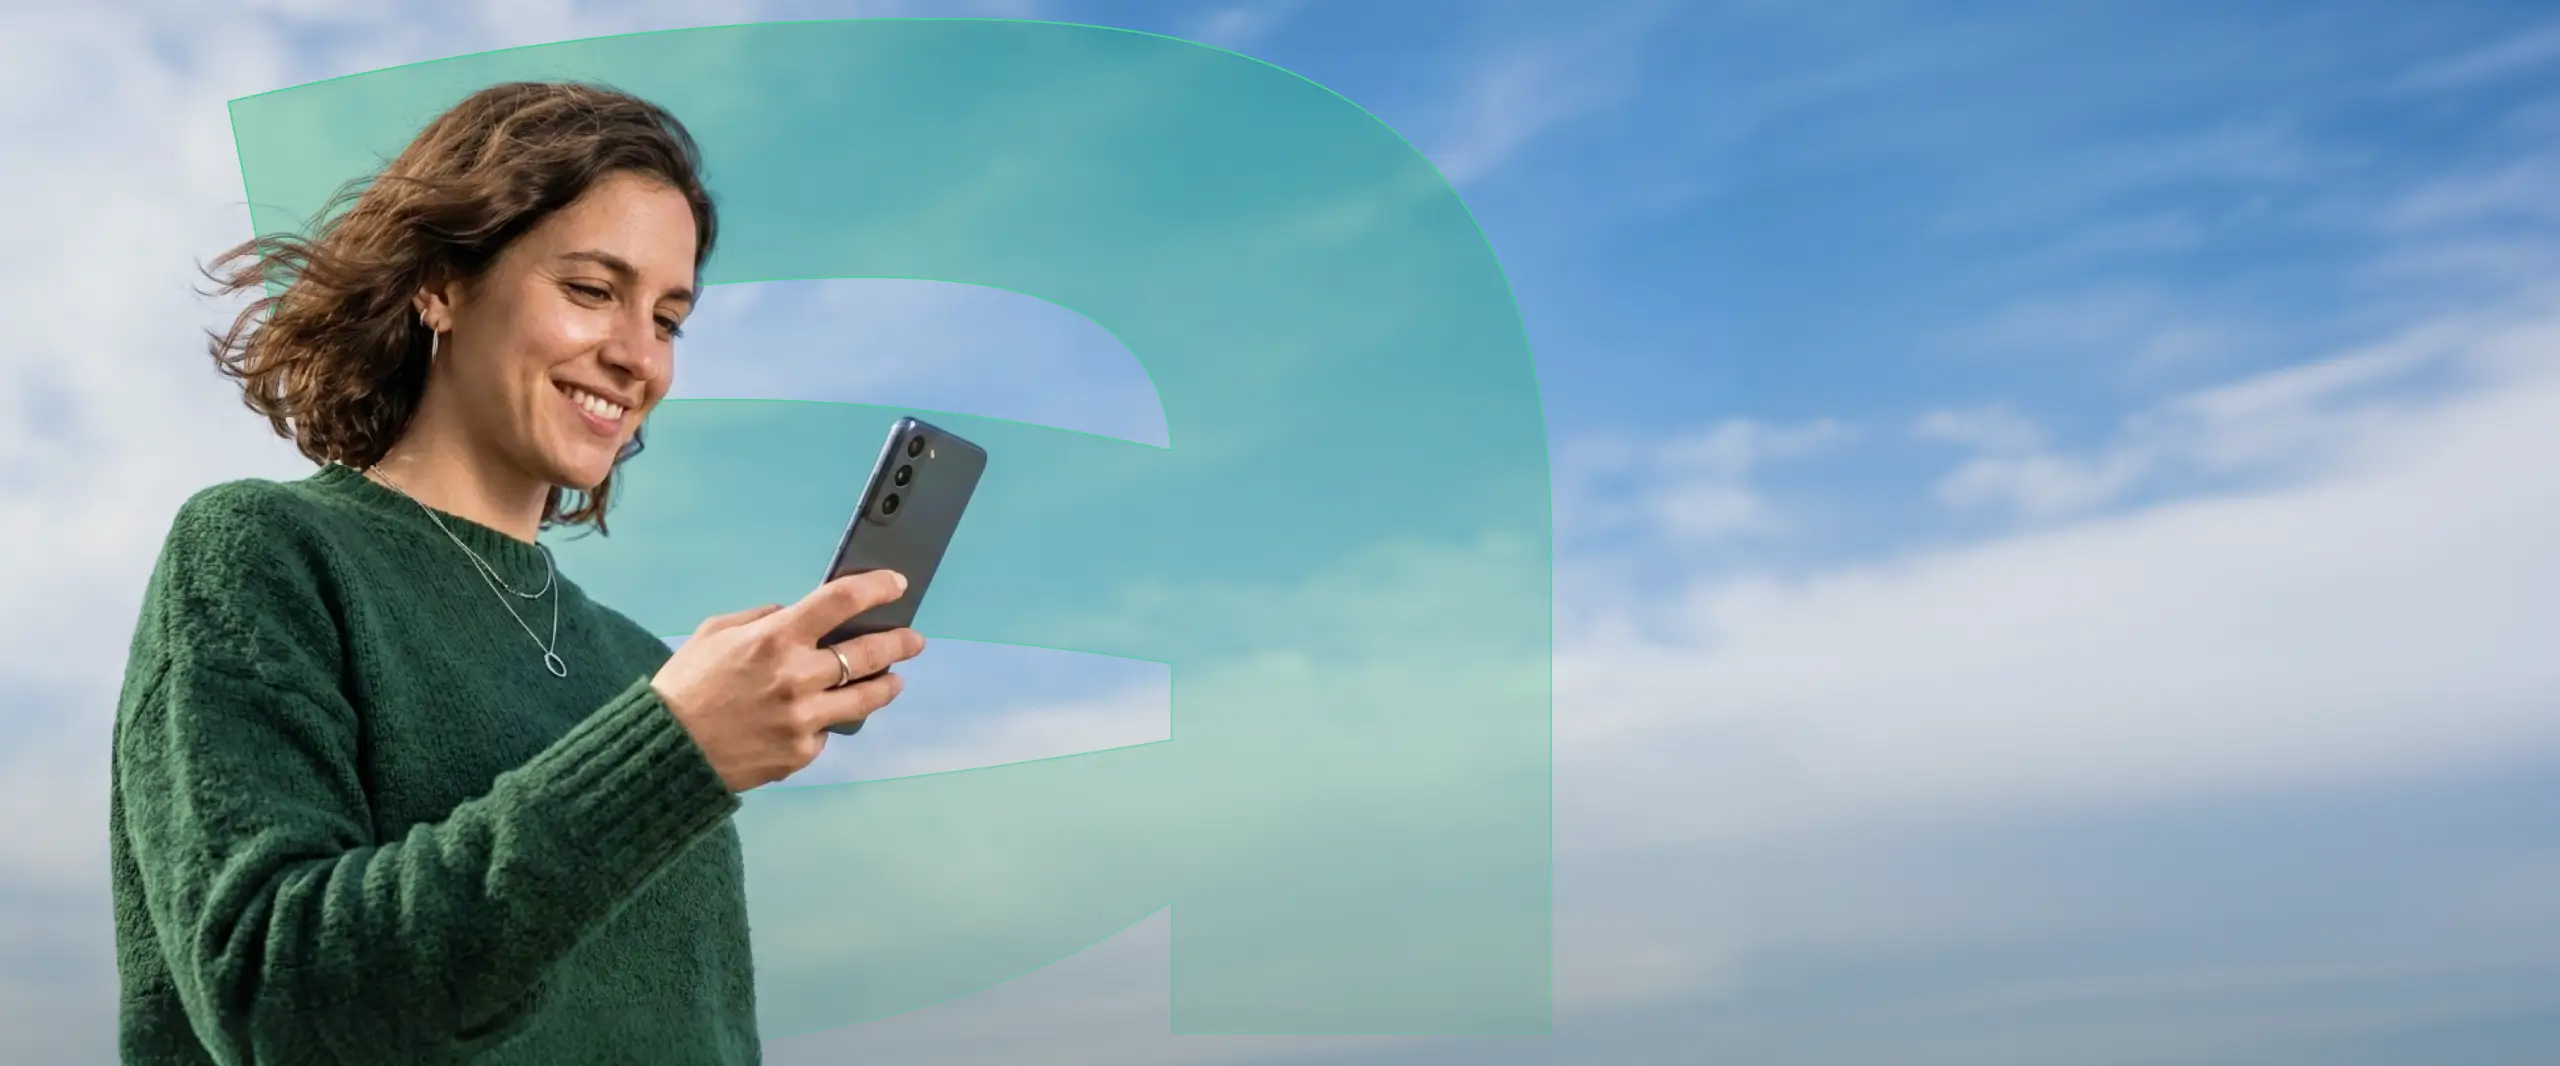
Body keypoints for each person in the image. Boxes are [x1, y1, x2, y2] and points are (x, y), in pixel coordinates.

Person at [106, 80, 916, 1064]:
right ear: (441, 283)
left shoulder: (634, 663)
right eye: (590, 290)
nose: (636, 357)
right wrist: (667, 753)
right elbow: (275, 999)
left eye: (667, 318)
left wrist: (671, 733)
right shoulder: (263, 551)